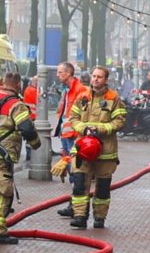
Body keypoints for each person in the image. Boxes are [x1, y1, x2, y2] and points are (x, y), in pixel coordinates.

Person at [0, 71, 40, 244]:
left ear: (3, 82)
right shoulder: (16, 104)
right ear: (18, 85)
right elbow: (26, 129)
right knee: (3, 190)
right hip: (2, 153)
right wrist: (36, 144)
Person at [67, 65, 126, 229]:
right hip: (83, 149)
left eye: (99, 77)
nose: (95, 79)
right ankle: (80, 216)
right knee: (79, 182)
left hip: (105, 151)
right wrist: (83, 128)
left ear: (106, 79)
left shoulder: (113, 98)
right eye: (94, 76)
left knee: (103, 187)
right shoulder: (82, 96)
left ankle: (100, 218)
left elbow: (120, 121)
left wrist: (100, 129)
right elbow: (73, 118)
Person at [54, 62, 88, 218]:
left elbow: (84, 115)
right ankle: (74, 205)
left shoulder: (80, 90)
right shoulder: (67, 90)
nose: (57, 75)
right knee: (72, 171)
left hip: (74, 136)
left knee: (76, 172)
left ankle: (77, 207)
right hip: (66, 135)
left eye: (60, 72)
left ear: (68, 73)